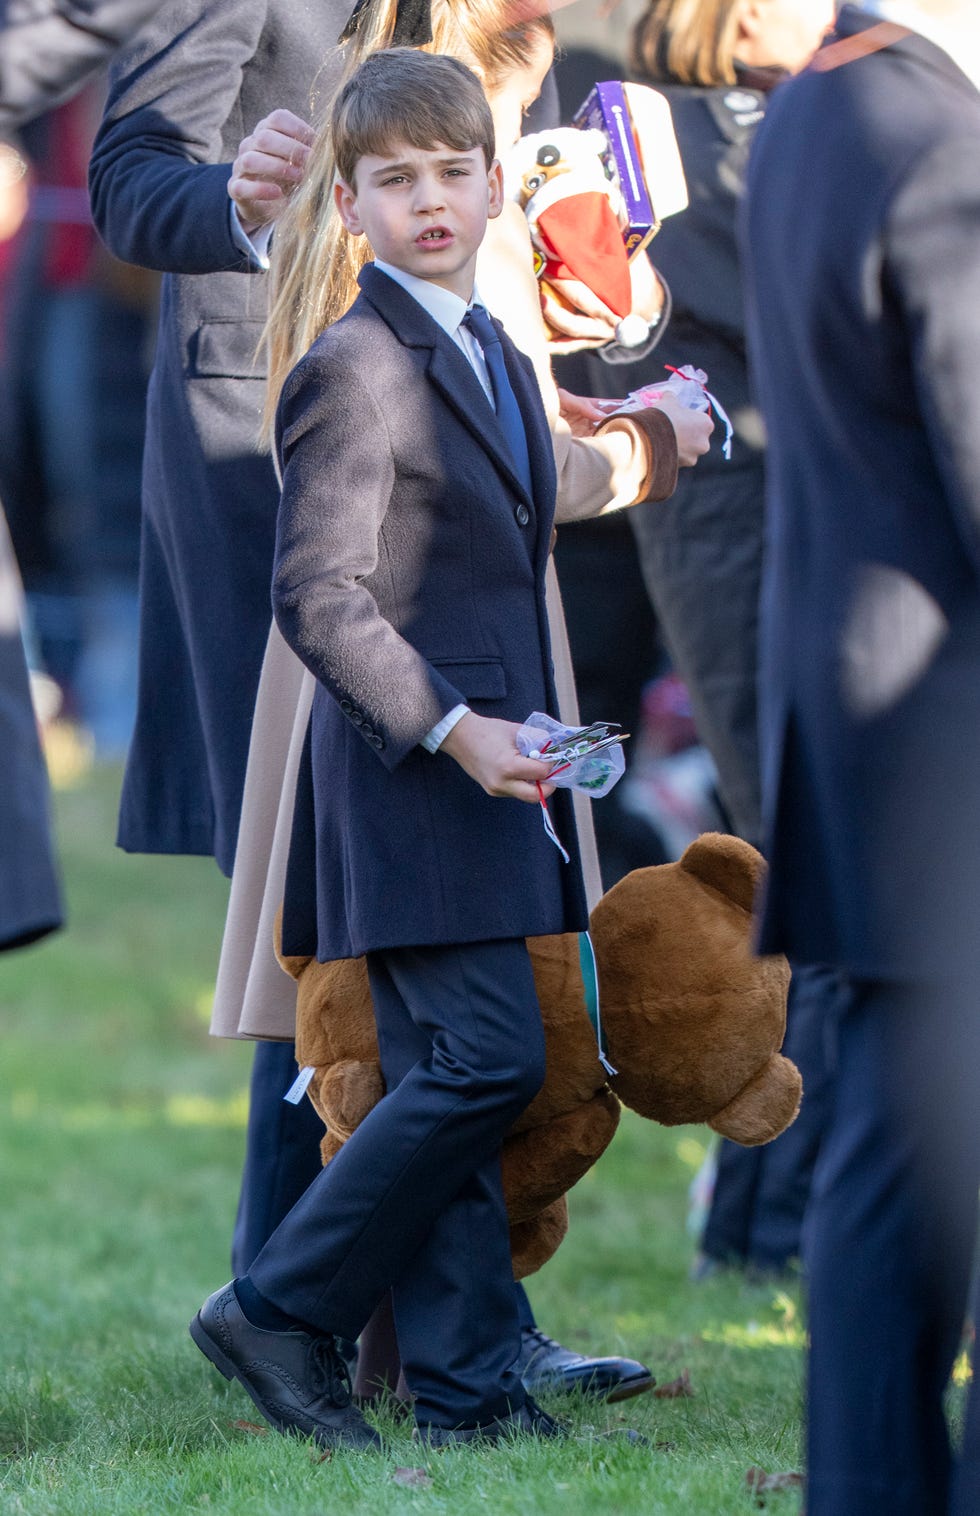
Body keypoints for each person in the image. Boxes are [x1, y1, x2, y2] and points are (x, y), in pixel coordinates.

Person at [189, 44, 621, 1449]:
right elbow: (317, 595)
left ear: (498, 186)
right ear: (350, 206)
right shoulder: (356, 364)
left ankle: (465, 1389)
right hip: (413, 782)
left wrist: (525, 726)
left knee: (462, 1067)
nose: (429, 200)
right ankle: (277, 1304)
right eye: (395, 180)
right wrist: (450, 725)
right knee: (483, 1067)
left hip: (499, 768)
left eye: (452, 172)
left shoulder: (488, 342)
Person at [553, 0, 839, 1277]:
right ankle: (766, 1211)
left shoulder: (847, 61)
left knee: (807, 823)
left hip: (812, 430)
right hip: (692, 445)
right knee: (782, 822)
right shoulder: (615, 54)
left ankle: (770, 1203)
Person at [743, 3, 980, 1510]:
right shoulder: (931, 130)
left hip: (863, 720)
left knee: (889, 1184)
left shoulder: (817, 114)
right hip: (942, 731)